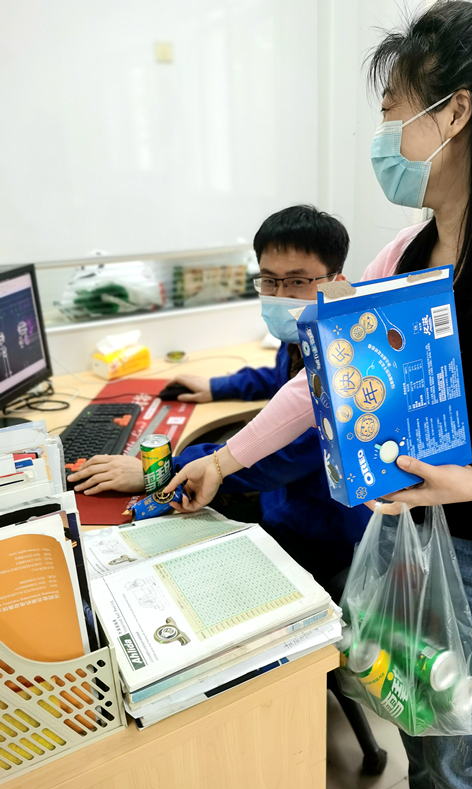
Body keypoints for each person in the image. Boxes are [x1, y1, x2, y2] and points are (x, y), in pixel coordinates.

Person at [162, 1, 472, 789]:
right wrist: (222, 461)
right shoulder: (403, 254)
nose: (382, 137)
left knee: (465, 763)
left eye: (392, 112)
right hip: (405, 541)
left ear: (454, 114)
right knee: (420, 737)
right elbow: (320, 384)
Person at [68, 205, 371, 588]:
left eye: (296, 281)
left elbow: (280, 454)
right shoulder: (303, 332)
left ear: (336, 281)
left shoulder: (346, 364)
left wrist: (159, 471)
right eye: (269, 281)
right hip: (281, 503)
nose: (280, 295)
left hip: (321, 532)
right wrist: (217, 387)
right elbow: (284, 384)